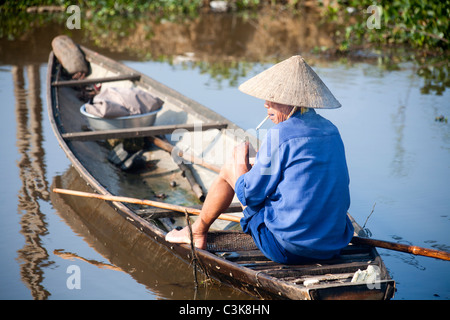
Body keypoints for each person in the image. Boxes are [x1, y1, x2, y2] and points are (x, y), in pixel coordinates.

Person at [165, 55, 354, 264]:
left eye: (273, 98)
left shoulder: (280, 134)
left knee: (230, 169)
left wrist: (239, 162)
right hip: (333, 245)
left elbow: (250, 195)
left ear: (292, 102)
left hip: (287, 249)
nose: (266, 104)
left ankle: (197, 232)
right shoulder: (331, 131)